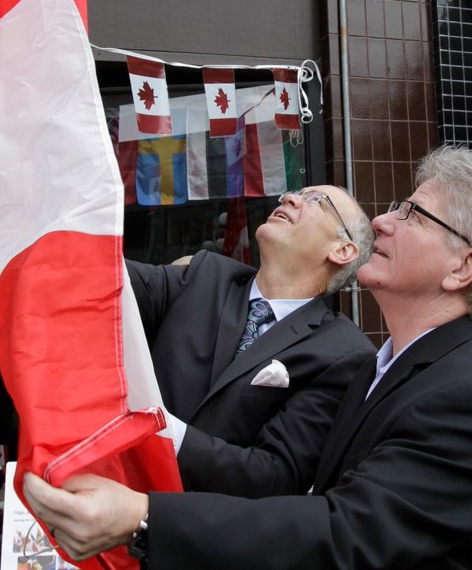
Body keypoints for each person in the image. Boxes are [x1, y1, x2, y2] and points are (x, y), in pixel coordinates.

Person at [22, 145, 472, 570]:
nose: (383, 221)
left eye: (412, 214)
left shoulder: (471, 399)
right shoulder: (381, 369)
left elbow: (342, 530)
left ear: (463, 268)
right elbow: (105, 279)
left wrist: (143, 516)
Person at [126, 184, 376, 497]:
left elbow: (275, 474)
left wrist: (158, 428)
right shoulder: (205, 275)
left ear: (342, 250)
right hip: (108, 485)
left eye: (317, 200)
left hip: (199, 530)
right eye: (294, 192)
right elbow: (111, 279)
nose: (290, 198)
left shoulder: (343, 353)